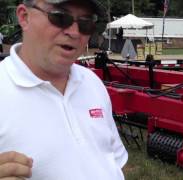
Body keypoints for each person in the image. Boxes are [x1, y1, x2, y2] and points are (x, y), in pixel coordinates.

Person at [0, 0, 128, 179]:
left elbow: (112, 161)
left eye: (85, 23)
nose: (74, 32)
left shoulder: (91, 82)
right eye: (60, 17)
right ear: (24, 17)